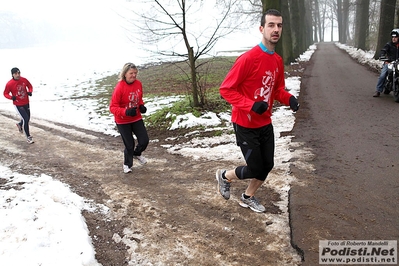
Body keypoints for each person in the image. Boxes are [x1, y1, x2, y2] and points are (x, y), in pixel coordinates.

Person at [215, 9, 300, 213]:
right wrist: (251, 104)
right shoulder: (248, 58)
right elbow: (226, 89)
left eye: (279, 25)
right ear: (262, 29)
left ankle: (247, 196)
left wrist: (289, 98)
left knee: (267, 165)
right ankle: (224, 176)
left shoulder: (277, 60)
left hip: (265, 123)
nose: (276, 29)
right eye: (271, 25)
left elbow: (276, 89)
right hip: (245, 124)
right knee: (255, 168)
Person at [109, 63, 149, 174]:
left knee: (144, 140)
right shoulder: (120, 87)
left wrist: (141, 106)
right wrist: (125, 112)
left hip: (136, 118)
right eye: (131, 73)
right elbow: (112, 107)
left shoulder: (138, 84)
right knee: (129, 144)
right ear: (125, 74)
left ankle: (137, 153)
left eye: (135, 73)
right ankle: (127, 164)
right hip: (122, 120)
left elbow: (139, 98)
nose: (134, 75)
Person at [3, 67, 34, 144]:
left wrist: (30, 91)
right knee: (26, 119)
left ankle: (19, 124)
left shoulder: (24, 80)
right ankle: (28, 137)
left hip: (26, 102)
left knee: (27, 118)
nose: (18, 75)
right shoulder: (9, 84)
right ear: (12, 75)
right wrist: (11, 97)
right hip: (18, 104)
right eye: (16, 74)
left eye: (19, 73)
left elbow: (30, 86)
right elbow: (5, 93)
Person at [373, 28, 399, 97]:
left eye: (395, 37)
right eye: (393, 37)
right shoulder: (389, 44)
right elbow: (383, 50)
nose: (394, 38)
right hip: (389, 62)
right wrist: (382, 55)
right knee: (382, 75)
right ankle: (378, 90)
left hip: (398, 63)